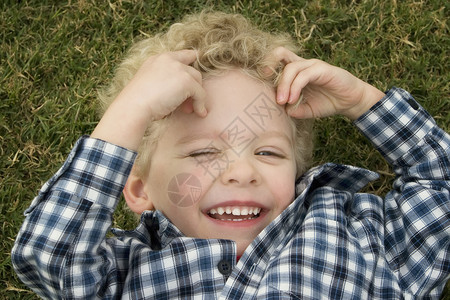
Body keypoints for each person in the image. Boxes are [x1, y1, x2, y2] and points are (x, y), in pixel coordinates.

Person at [11, 11, 449, 299]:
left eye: (268, 152)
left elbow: (440, 185)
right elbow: (47, 256)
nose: (242, 171)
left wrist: (361, 101)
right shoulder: (120, 273)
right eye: (203, 151)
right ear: (140, 190)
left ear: (297, 171)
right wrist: (132, 110)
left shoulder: (359, 233)